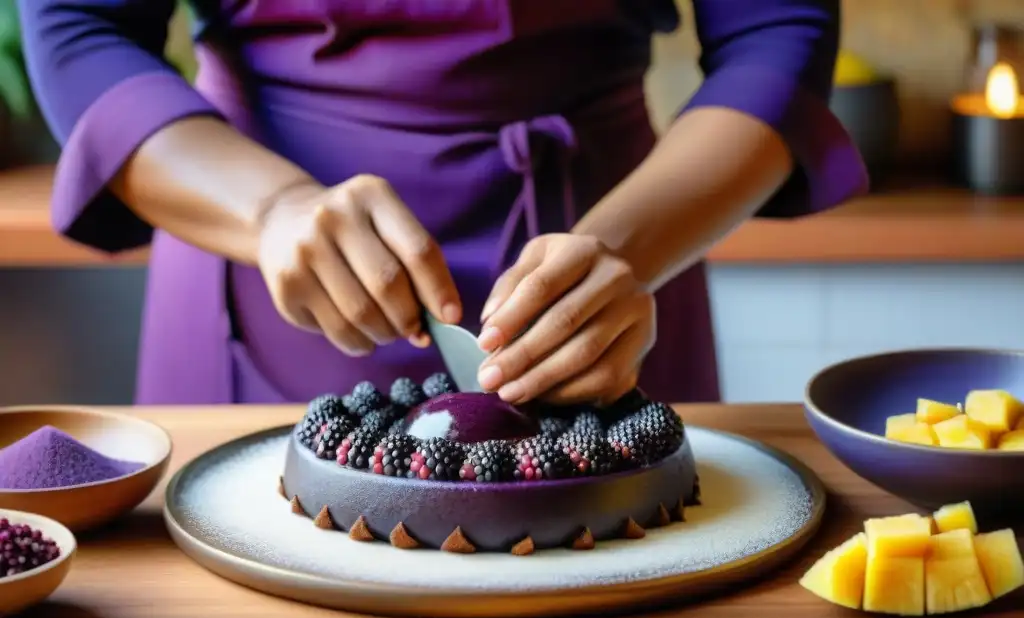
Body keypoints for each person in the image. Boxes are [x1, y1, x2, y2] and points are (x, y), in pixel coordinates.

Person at [19, 1, 867, 407]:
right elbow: (77, 28)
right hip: (262, 266)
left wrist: (622, 250)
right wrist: (273, 209)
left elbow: (777, 28)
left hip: (614, 267)